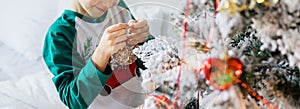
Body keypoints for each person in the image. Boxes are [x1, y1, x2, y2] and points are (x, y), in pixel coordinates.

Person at [42, 0, 153, 108]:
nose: (109, 4)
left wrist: (143, 38)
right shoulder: (59, 35)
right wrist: (102, 54)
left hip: (145, 102)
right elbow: (73, 101)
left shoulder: (119, 8)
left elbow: (149, 59)